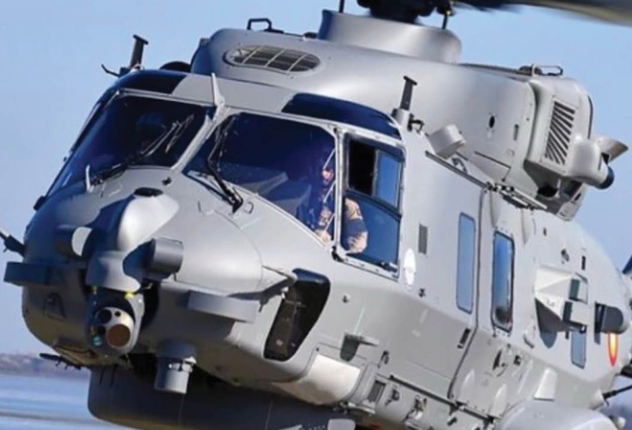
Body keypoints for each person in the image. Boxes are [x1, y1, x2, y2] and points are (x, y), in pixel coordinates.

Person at [313, 149, 368, 253]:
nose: (323, 173)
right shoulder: (307, 186)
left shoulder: (346, 202)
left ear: (336, 171)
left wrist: (349, 243)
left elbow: (360, 238)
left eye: (328, 170)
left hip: (318, 247)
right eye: (320, 169)